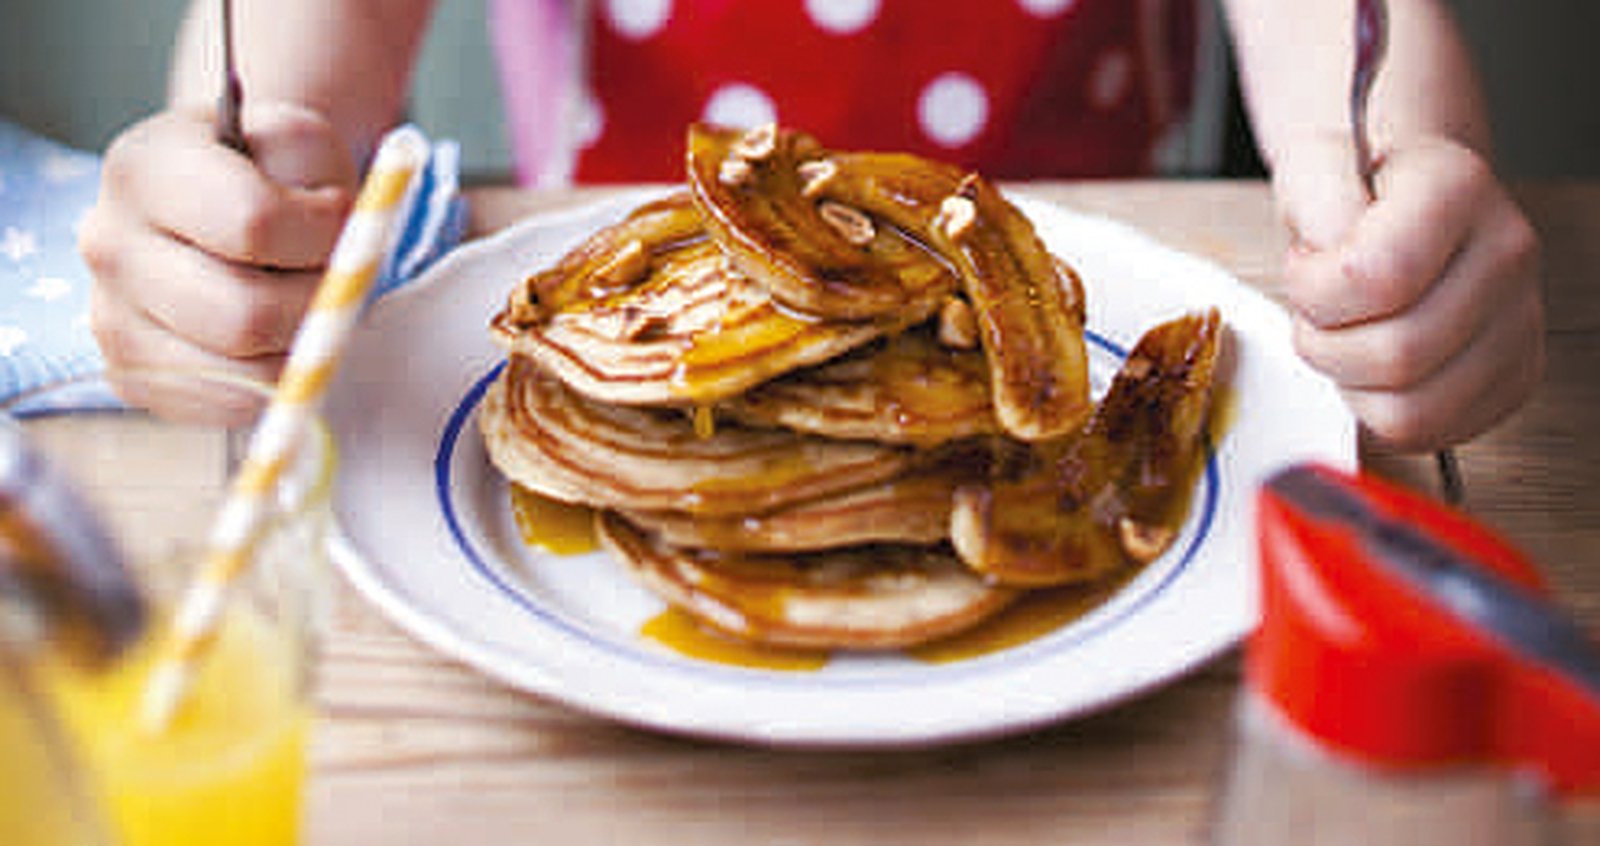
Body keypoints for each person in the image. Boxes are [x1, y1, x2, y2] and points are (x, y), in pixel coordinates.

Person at [79, 0, 1542, 452]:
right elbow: (275, 102)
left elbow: (1351, 43)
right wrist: (220, 238)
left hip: (1063, 374)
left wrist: (1399, 195)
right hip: (626, 360)